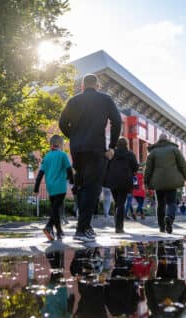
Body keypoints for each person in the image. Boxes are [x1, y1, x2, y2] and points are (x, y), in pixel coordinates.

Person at [59, 73, 122, 242]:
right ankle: (81, 229)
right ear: (98, 85)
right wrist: (112, 147)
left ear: (82, 86)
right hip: (95, 149)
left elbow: (62, 123)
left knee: (81, 186)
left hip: (77, 150)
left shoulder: (73, 100)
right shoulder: (105, 99)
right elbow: (117, 121)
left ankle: (85, 226)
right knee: (92, 188)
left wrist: (73, 136)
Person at [144, 133, 186, 234]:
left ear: (158, 141)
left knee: (160, 204)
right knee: (171, 202)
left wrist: (146, 182)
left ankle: (162, 227)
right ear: (167, 140)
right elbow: (182, 164)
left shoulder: (153, 152)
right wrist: (185, 176)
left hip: (158, 182)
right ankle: (169, 218)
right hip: (171, 182)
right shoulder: (174, 150)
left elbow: (148, 169)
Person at [33, 135, 74, 241]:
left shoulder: (46, 157)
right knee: (56, 209)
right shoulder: (63, 155)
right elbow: (69, 170)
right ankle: (49, 226)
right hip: (60, 187)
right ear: (60, 144)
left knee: (56, 209)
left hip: (50, 188)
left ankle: (59, 231)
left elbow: (40, 173)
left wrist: (36, 188)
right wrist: (73, 184)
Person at [104, 137, 139, 233]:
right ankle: (119, 227)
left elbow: (106, 166)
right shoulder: (130, 154)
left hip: (112, 181)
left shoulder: (112, 154)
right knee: (120, 204)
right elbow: (135, 167)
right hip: (125, 181)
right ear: (126, 145)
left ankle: (117, 225)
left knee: (117, 203)